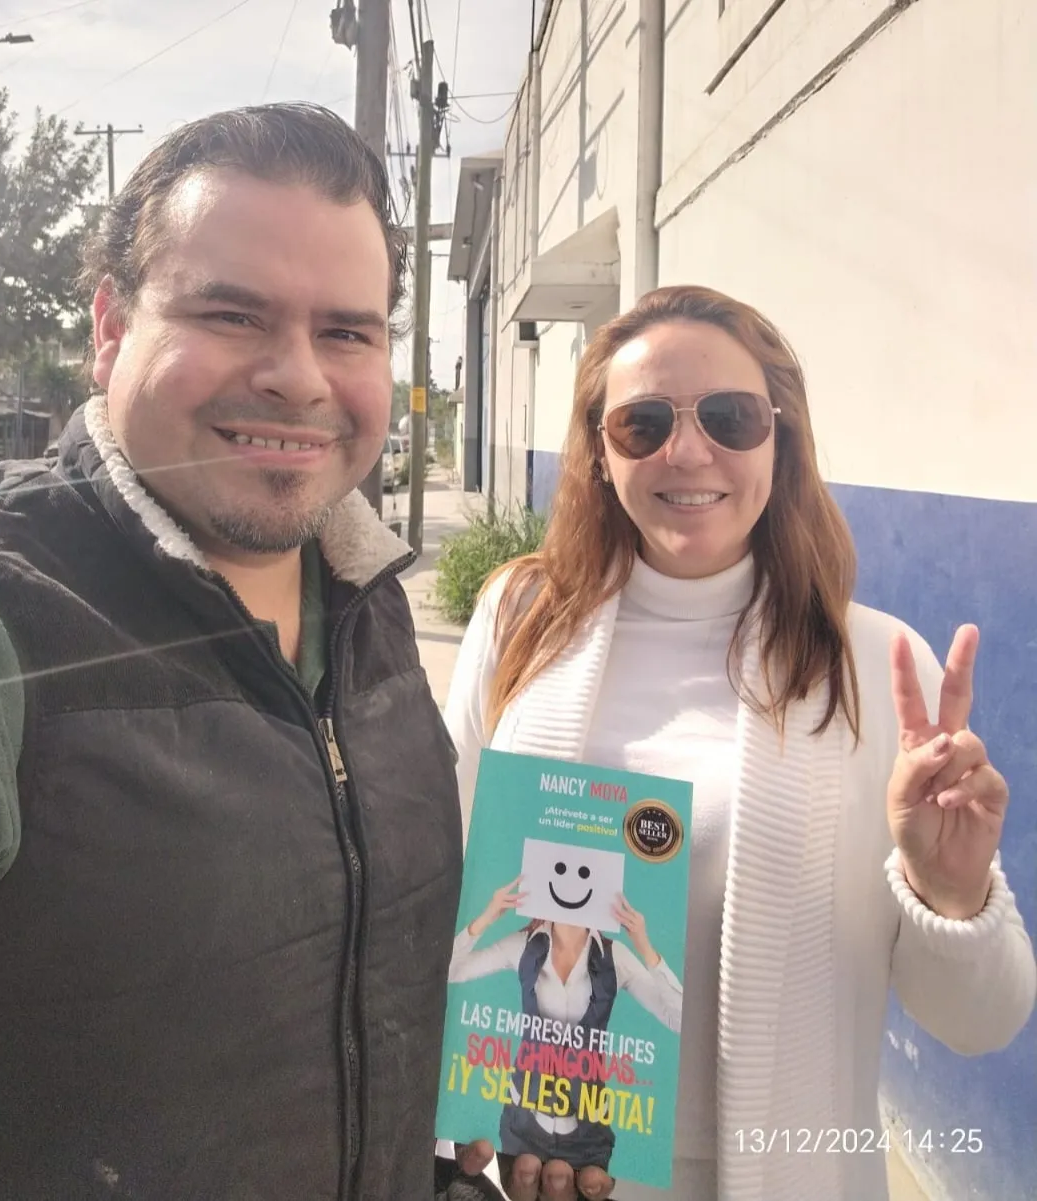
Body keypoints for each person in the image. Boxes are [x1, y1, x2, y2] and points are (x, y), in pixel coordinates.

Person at [0, 104, 464, 1200]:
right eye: (232, 313)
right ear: (110, 328)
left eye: (347, 333)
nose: (299, 377)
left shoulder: (366, 601)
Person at [442, 285, 1036, 1201]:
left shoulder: (876, 671)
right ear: (599, 451)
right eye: (643, 423)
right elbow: (450, 889)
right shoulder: (521, 621)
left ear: (779, 439)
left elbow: (981, 1022)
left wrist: (951, 893)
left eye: (730, 417)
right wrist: (477, 1118)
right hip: (552, 1162)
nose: (688, 451)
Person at [448, 877, 683, 1173]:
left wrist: (645, 947)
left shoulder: (615, 957)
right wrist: (486, 917)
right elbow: (451, 970)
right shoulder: (523, 945)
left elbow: (677, 1018)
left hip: (588, 1133)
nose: (571, 886)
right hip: (522, 1125)